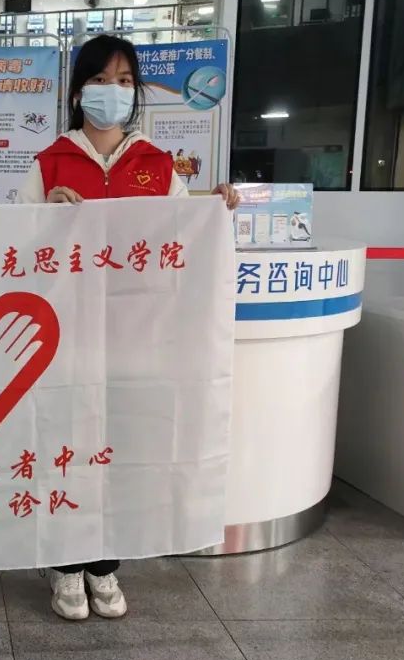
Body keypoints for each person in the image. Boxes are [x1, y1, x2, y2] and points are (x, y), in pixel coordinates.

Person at [17, 34, 239, 622]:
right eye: (99, 80)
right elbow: (13, 247)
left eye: (123, 81)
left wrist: (216, 208)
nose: (110, 92)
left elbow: (186, 237)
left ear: (135, 92)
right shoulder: (49, 163)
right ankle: (65, 561)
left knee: (120, 450)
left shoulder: (157, 165)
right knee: (67, 448)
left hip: (135, 339)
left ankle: (105, 563)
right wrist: (44, 217)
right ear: (77, 92)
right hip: (65, 338)